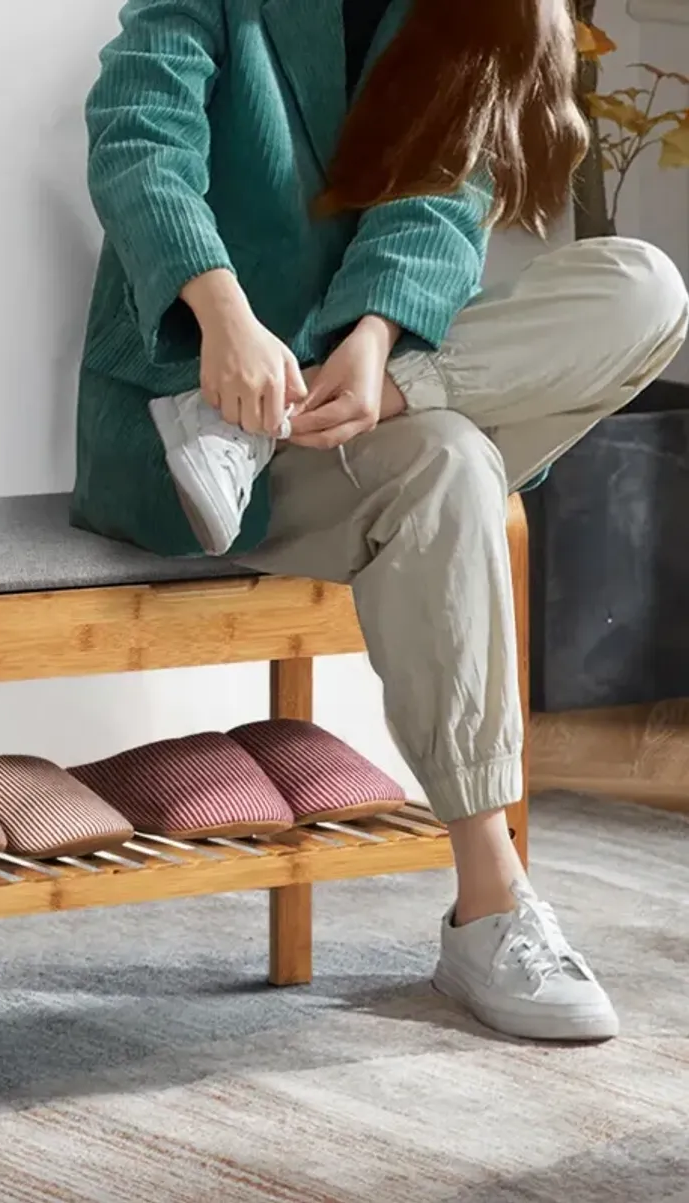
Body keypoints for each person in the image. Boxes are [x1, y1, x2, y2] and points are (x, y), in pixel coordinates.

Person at [72, 0, 689, 1041]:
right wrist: (223, 318)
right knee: (452, 462)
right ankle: (492, 905)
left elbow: (442, 198)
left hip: (363, 395)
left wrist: (380, 345)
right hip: (189, 413)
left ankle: (392, 397)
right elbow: (139, 137)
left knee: (644, 287)